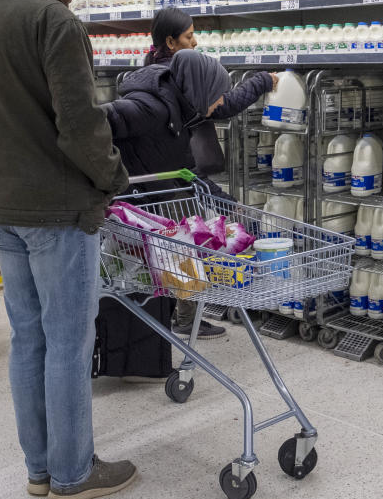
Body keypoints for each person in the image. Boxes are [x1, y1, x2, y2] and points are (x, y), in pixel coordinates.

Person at [0, 0, 134, 499]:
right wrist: (113, 179)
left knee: (28, 340)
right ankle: (75, 475)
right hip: (57, 211)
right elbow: (80, 124)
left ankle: (41, 469)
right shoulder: (54, 21)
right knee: (68, 342)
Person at [104, 49, 276, 340]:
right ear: (201, 89)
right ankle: (153, 335)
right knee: (172, 264)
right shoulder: (150, 107)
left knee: (174, 264)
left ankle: (167, 329)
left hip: (157, 196)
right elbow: (91, 121)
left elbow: (185, 168)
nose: (221, 102)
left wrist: (222, 199)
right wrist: (107, 177)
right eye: (218, 94)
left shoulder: (178, 110)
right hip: (137, 205)